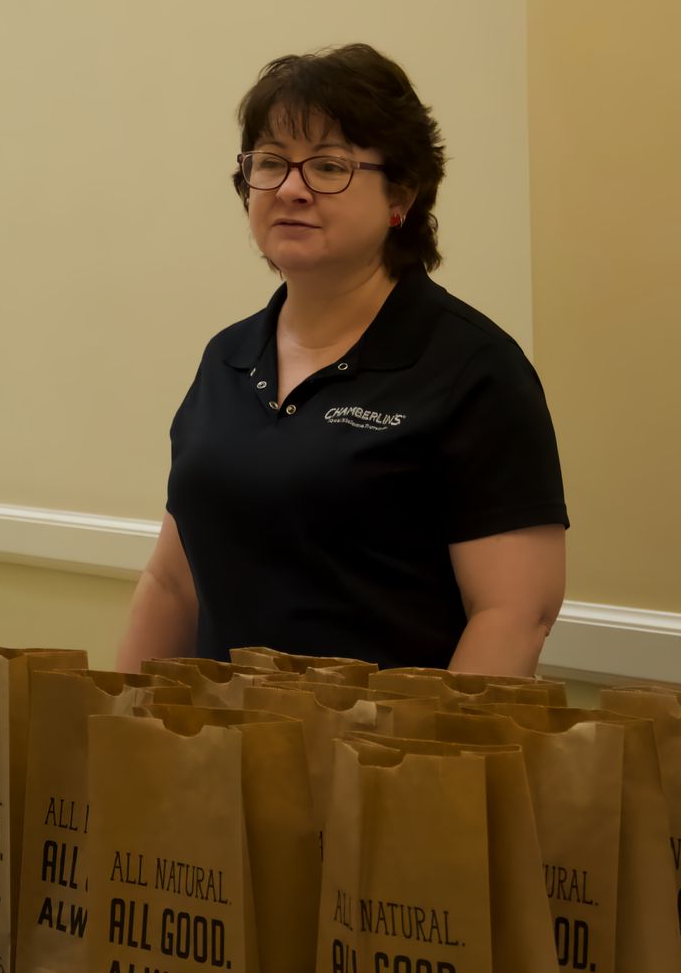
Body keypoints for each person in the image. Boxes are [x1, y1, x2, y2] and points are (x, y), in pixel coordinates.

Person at [117, 44, 566, 674]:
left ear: (401, 196)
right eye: (270, 163)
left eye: (328, 167)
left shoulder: (473, 367)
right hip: (212, 753)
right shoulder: (228, 357)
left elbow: (515, 614)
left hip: (382, 756)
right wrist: (117, 740)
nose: (292, 189)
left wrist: (416, 769)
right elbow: (172, 583)